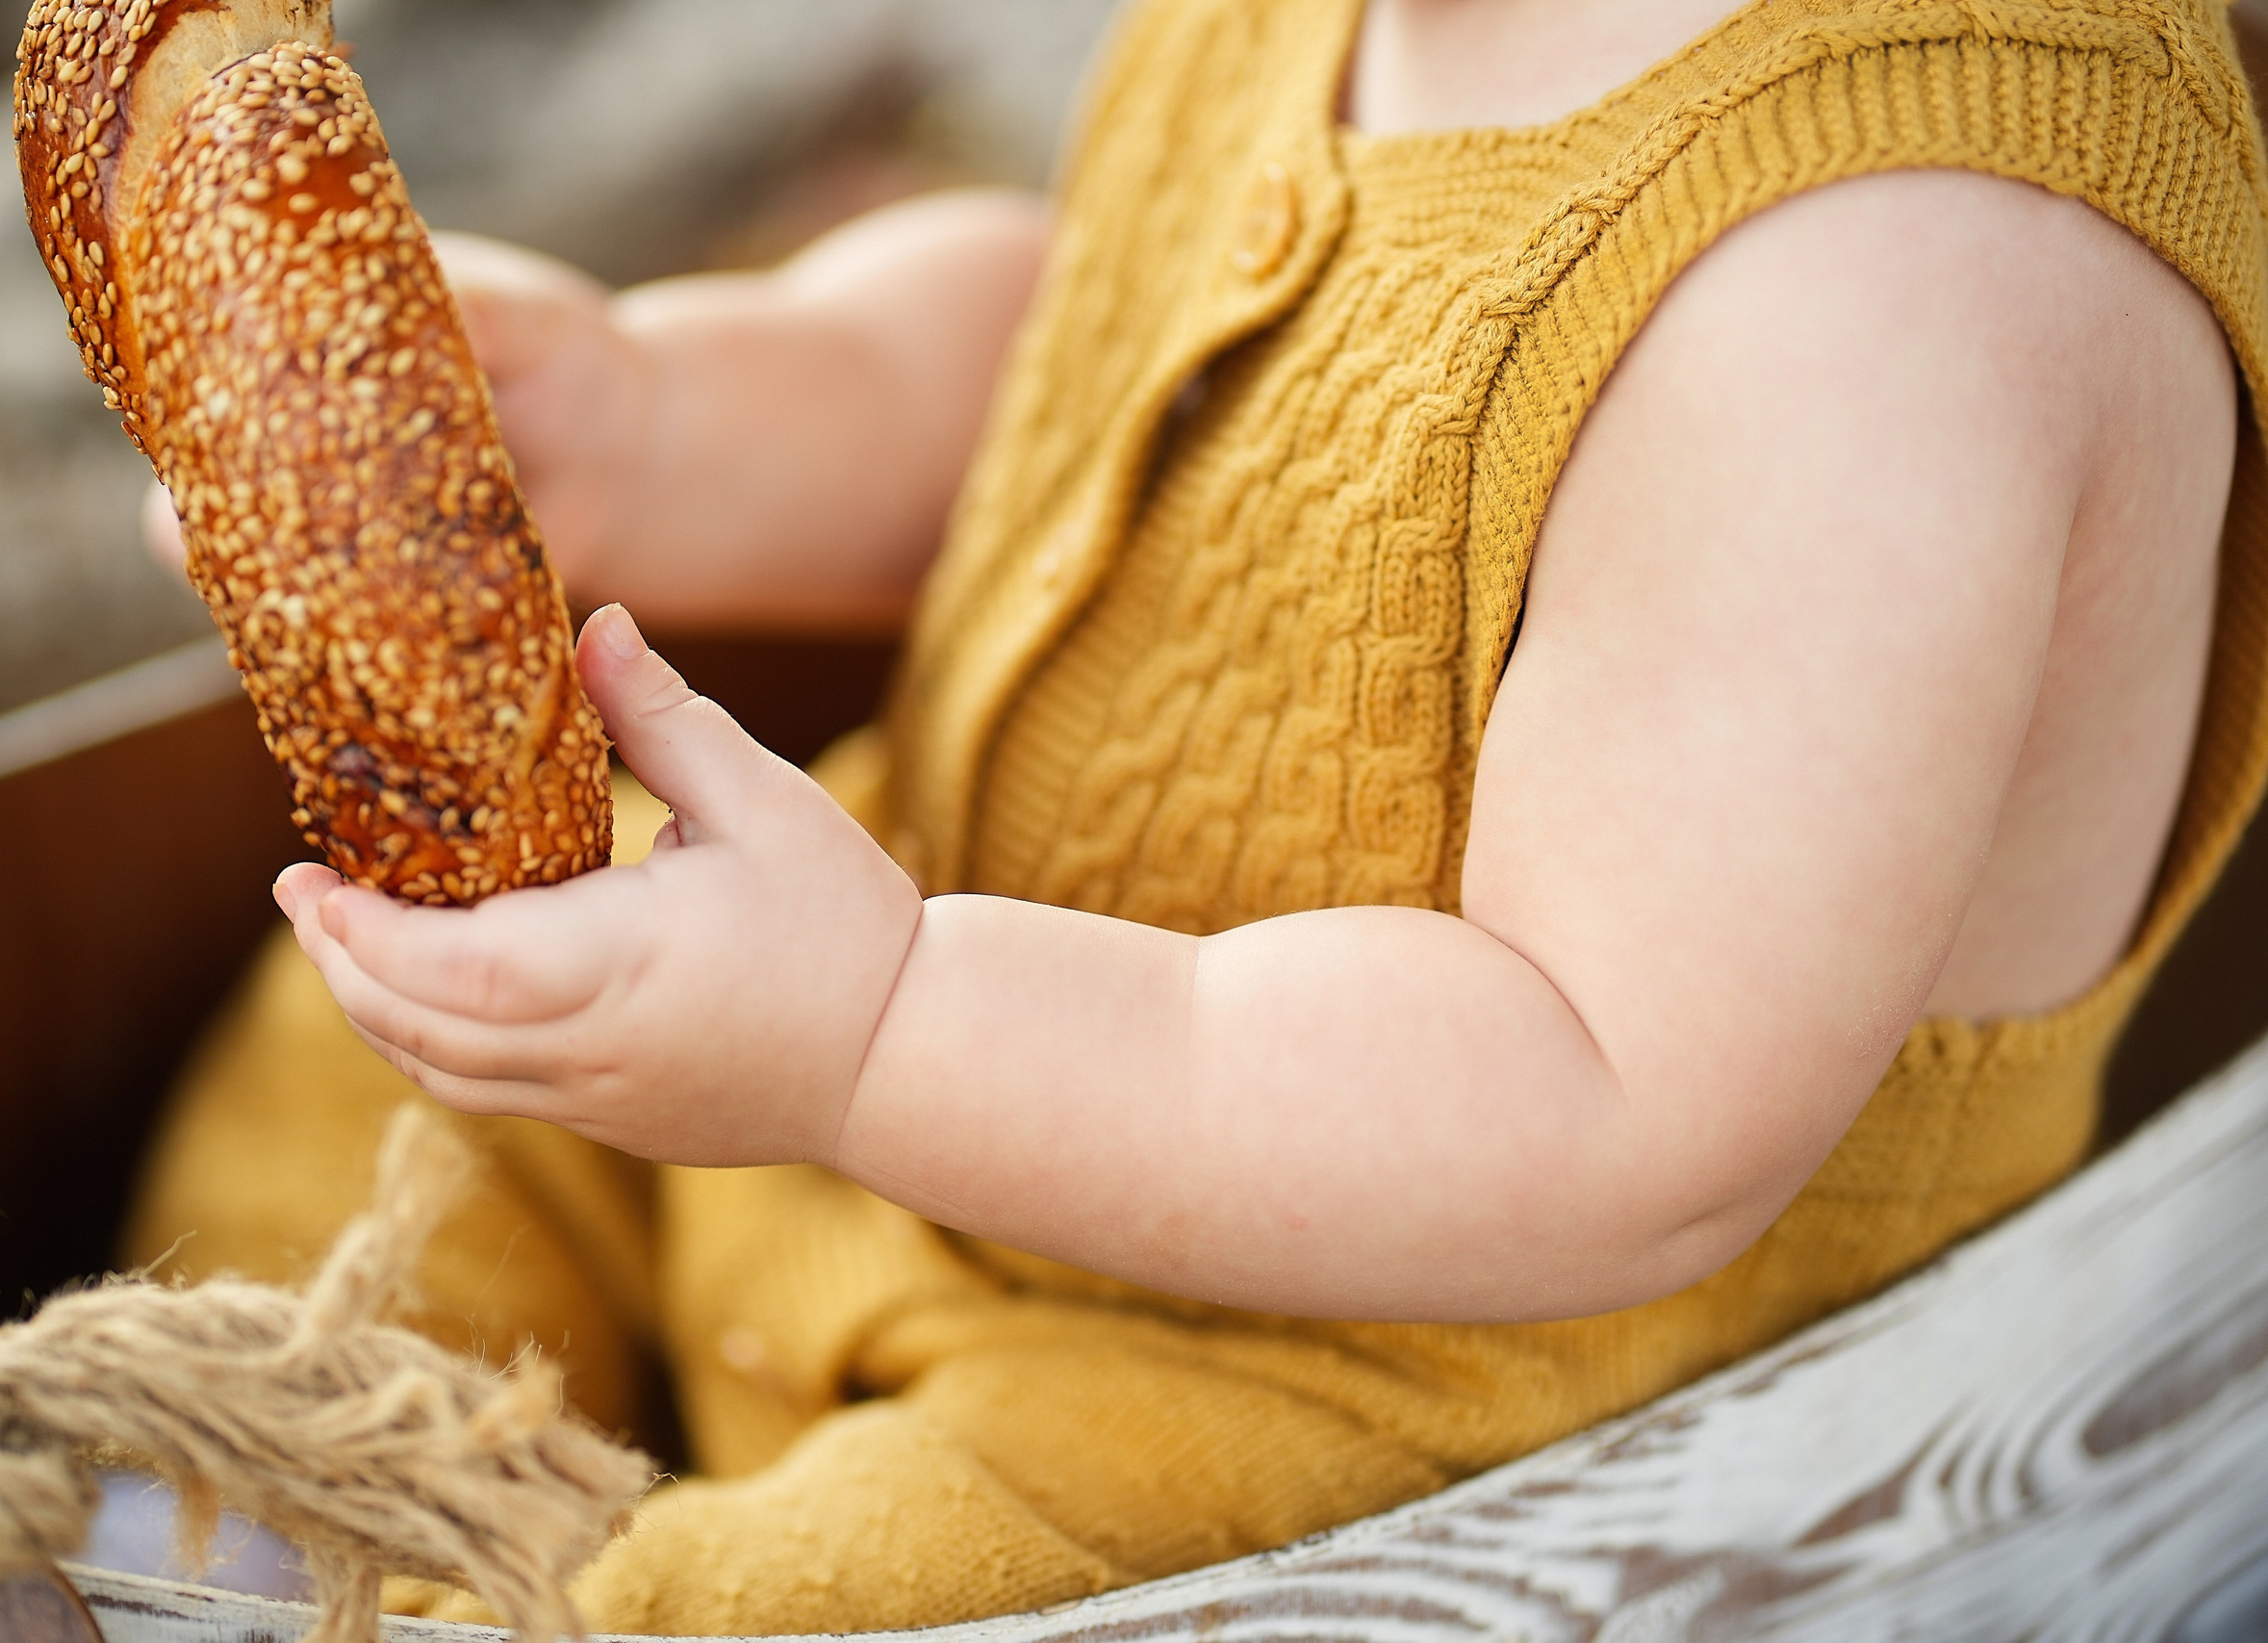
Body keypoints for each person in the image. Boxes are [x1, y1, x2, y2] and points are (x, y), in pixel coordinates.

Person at [125, 0, 2268, 1630]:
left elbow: (1604, 1099)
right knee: (384, 1021)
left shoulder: (1897, 285)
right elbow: (1116, 337)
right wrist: (690, 416)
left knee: (854, 1595)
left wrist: (878, 1034)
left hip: (1388, 1391)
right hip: (875, 1054)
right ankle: (225, 1455)